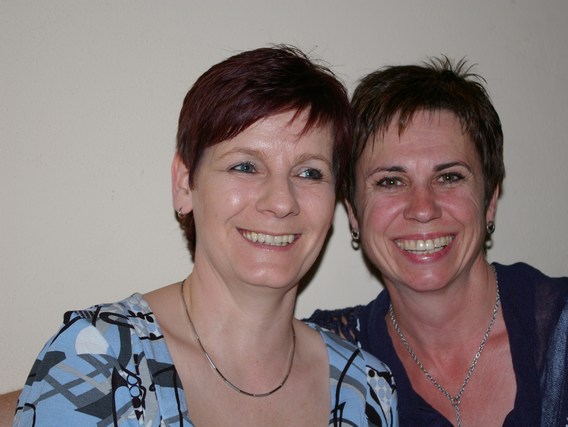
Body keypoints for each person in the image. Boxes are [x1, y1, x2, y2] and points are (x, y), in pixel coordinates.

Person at [12, 45, 397, 426]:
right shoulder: (98, 361)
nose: (281, 202)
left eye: (309, 172)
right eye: (245, 166)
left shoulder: (366, 388)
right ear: (184, 184)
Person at [308, 57, 568, 426]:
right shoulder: (325, 360)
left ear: (490, 201)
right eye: (390, 181)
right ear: (353, 213)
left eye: (449, 177)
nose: (423, 209)